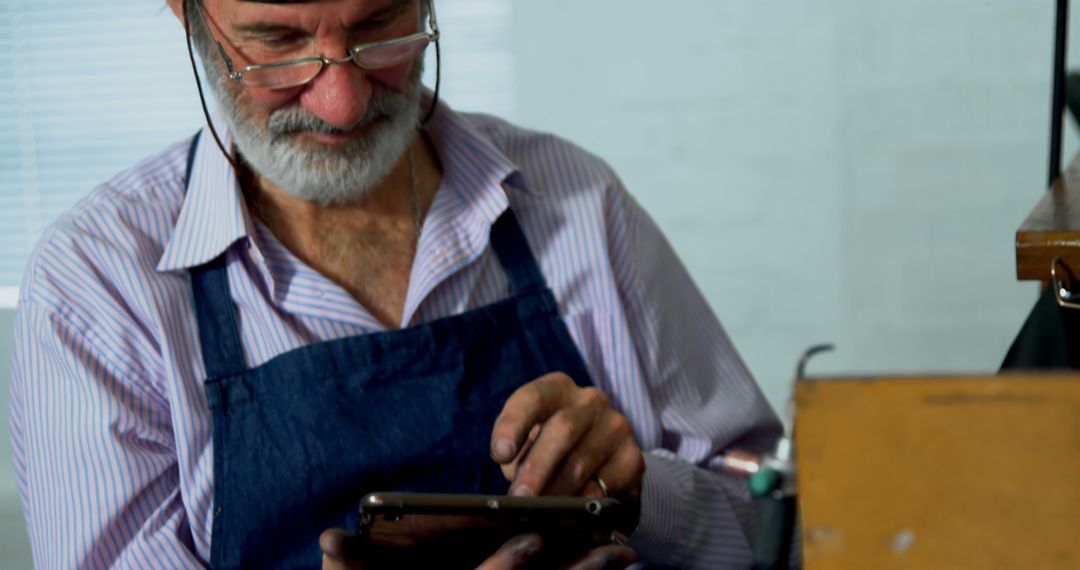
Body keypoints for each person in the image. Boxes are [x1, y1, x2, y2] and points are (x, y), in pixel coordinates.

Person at [9, 0, 782, 567]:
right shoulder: (97, 286)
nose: (341, 102)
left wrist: (645, 493)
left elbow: (776, 528)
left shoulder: (573, 201)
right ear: (185, 14)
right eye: (276, 43)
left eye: (380, 27)